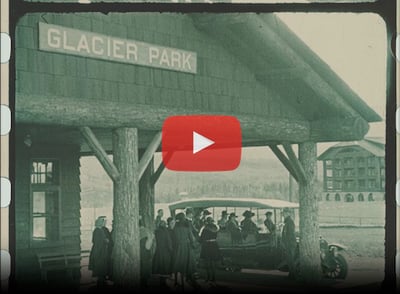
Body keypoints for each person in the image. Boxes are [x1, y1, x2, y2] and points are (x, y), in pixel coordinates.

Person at [172, 212, 197, 290]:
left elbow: (173, 238)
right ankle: (184, 281)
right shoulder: (187, 227)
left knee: (177, 263)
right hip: (186, 247)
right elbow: (191, 238)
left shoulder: (175, 228)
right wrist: (193, 245)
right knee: (185, 264)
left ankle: (176, 281)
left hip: (177, 247)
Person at [88, 216, 113, 287]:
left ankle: (103, 281)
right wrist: (105, 241)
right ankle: (101, 282)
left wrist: (106, 241)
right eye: (102, 221)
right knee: (100, 267)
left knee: (103, 267)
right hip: (98, 251)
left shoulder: (102, 230)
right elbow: (96, 241)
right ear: (99, 223)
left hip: (102, 251)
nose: (103, 223)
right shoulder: (97, 231)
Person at [199, 217, 221, 284]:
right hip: (214, 245)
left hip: (206, 246)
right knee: (213, 262)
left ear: (207, 221)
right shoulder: (216, 228)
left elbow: (201, 238)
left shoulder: (205, 229)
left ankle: (208, 278)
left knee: (207, 262)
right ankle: (214, 278)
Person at [152, 220, 173, 288]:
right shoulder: (166, 232)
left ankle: (160, 282)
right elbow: (169, 242)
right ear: (164, 225)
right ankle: (163, 283)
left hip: (158, 251)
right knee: (165, 268)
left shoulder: (156, 231)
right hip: (165, 252)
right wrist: (171, 251)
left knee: (159, 267)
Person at [281, 208, 297, 280]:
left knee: (291, 260)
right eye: (283, 213)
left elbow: (291, 235)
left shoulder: (289, 222)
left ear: (288, 213)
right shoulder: (287, 222)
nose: (283, 215)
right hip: (288, 244)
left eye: (284, 213)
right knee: (289, 260)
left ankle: (293, 275)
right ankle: (292, 274)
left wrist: (287, 244)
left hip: (290, 244)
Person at [139, 216, 155, 288]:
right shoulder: (147, 231)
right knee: (144, 269)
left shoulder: (136, 232)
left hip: (141, 253)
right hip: (145, 252)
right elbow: (148, 246)